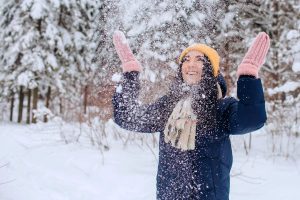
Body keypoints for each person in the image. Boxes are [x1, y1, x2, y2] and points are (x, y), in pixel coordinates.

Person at [112, 31, 270, 200]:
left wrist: (248, 75)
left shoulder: (221, 108)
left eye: (200, 60)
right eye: (186, 60)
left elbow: (252, 118)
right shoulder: (168, 106)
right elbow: (128, 117)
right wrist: (130, 73)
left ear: (211, 69)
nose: (191, 64)